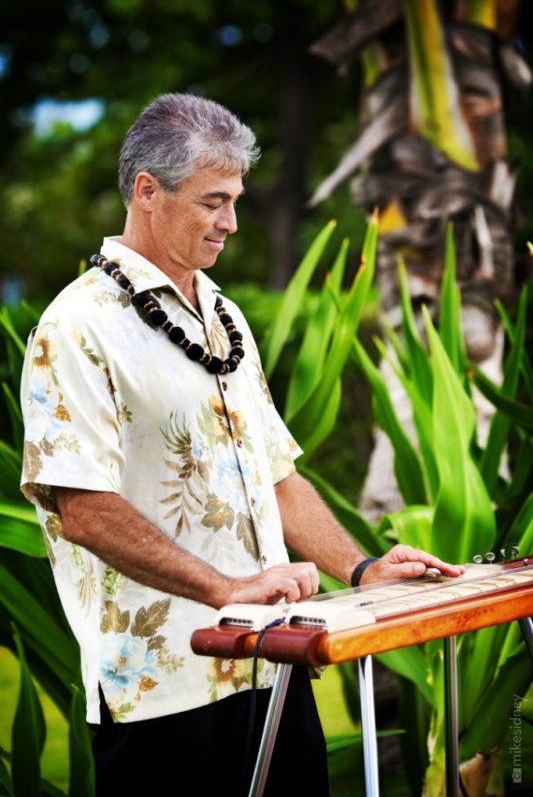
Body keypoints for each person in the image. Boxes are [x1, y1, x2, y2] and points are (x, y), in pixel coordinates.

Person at [20, 93, 463, 796]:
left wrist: (361, 568)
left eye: (235, 200)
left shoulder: (222, 316)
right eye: (211, 201)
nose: (230, 222)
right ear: (146, 192)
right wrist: (225, 590)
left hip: (272, 664)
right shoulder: (77, 327)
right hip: (161, 687)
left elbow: (276, 477)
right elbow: (83, 507)